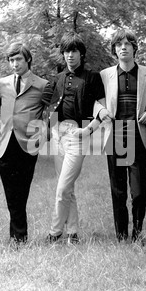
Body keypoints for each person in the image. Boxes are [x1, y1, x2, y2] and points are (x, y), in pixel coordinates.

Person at [93, 29, 146, 243]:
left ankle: (137, 234)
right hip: (116, 136)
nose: (123, 47)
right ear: (114, 49)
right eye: (119, 44)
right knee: (118, 191)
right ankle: (121, 236)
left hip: (137, 136)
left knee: (139, 192)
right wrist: (100, 111)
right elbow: (93, 101)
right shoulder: (104, 75)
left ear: (134, 48)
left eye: (128, 44)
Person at [0, 42, 49, 248]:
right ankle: (18, 238)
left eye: (18, 59)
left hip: (27, 143)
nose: (14, 64)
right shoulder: (2, 83)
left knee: (22, 190)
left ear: (28, 59)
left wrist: (44, 134)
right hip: (4, 143)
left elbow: (51, 113)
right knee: (10, 192)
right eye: (11, 60)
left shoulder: (42, 84)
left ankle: (18, 237)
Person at [43, 31, 105, 245]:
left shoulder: (93, 78)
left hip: (79, 136)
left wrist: (88, 131)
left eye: (74, 51)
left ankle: (55, 232)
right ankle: (73, 234)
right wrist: (51, 130)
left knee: (62, 189)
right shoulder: (58, 79)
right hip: (59, 136)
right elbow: (50, 107)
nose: (70, 55)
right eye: (67, 51)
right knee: (67, 188)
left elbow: (103, 111)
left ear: (81, 53)